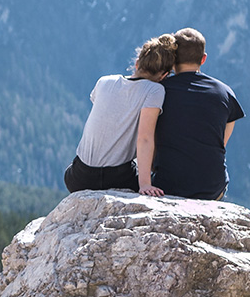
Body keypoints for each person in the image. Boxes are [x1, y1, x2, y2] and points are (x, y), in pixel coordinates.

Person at [64, 34, 176, 196]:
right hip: (117, 178)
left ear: (137, 63)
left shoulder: (104, 81)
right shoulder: (155, 90)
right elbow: (144, 138)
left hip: (79, 178)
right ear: (164, 76)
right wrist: (144, 184)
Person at [152, 27, 244, 200]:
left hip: (167, 186)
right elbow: (221, 142)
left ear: (172, 59)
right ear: (203, 59)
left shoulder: (158, 92)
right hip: (212, 189)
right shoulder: (225, 93)